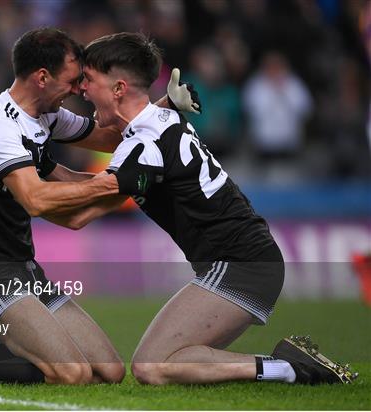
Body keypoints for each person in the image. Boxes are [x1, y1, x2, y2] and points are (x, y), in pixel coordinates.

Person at [48, 32, 358, 385]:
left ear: (118, 89)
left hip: (241, 264)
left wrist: (31, 171)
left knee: (154, 367)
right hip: (243, 260)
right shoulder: (154, 128)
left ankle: (290, 368)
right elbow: (90, 198)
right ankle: (284, 365)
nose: (82, 89)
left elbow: (81, 213)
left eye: (88, 79)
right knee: (161, 362)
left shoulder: (144, 146)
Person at [0, 28, 196, 385]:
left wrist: (162, 108)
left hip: (26, 269)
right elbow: (34, 199)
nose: (80, 88)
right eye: (73, 79)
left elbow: (110, 135)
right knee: (73, 374)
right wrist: (109, 183)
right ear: (42, 78)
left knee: (109, 371)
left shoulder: (47, 116)